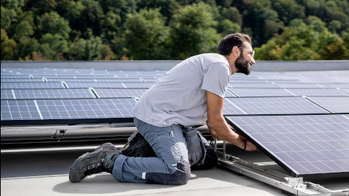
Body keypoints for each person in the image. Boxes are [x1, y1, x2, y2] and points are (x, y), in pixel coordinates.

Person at [69, 33, 258, 184]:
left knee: (208, 159)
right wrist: (242, 143)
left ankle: (142, 150)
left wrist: (225, 133)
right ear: (235, 51)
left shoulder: (216, 65)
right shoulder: (219, 66)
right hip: (160, 119)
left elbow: (215, 127)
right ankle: (108, 159)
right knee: (177, 171)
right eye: (250, 54)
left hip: (176, 121)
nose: (253, 60)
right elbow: (215, 122)